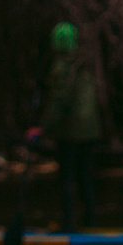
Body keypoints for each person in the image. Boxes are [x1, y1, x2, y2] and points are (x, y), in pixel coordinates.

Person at [43, 21, 104, 231]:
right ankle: (90, 222)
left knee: (67, 178)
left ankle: (69, 225)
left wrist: (43, 129)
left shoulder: (62, 67)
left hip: (69, 133)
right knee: (85, 176)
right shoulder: (84, 65)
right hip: (90, 131)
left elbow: (59, 101)